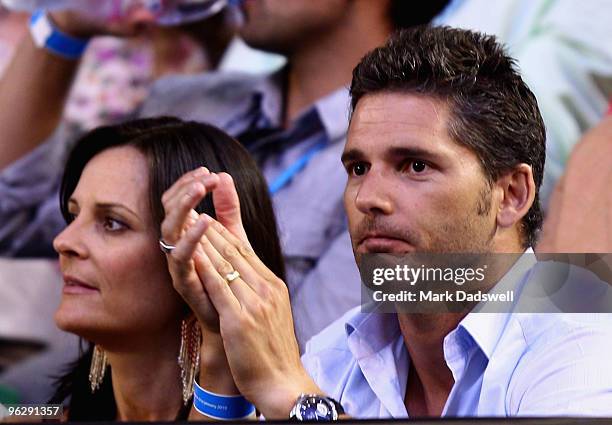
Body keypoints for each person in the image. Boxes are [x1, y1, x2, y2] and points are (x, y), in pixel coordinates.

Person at [163, 26, 612, 419]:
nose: (368, 197)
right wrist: (221, 344)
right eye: (358, 168)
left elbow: (293, 398)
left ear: (511, 195)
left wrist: (294, 396)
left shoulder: (587, 327)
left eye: (415, 166)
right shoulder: (340, 349)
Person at [0, 0, 450, 349]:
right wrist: (63, 27)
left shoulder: (414, 168)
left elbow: (311, 365)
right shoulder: (184, 105)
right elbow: (13, 219)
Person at [46, 116, 285, 421]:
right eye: (74, 215)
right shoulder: (39, 414)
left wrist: (222, 366)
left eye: (112, 223)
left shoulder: (292, 407)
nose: (63, 241)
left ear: (200, 260)